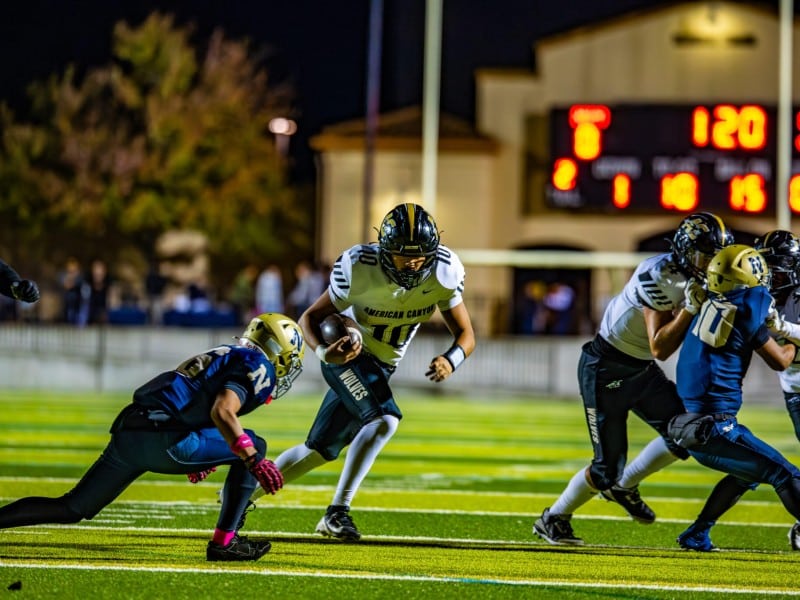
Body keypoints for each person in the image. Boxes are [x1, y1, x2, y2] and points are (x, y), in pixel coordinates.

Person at [251, 202, 476, 541]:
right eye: (403, 256)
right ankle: (337, 511)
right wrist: (326, 352)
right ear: (385, 252)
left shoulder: (444, 271)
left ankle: (242, 494)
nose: (414, 264)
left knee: (318, 451)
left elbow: (467, 335)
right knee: (384, 420)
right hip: (345, 357)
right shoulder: (359, 267)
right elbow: (309, 318)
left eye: (420, 256)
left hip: (382, 366)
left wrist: (451, 359)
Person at [0, 313, 305, 562]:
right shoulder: (257, 365)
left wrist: (202, 438)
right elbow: (223, 411)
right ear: (280, 352)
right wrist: (251, 458)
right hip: (167, 440)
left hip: (131, 428)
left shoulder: (228, 353)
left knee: (71, 508)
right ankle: (225, 542)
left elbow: (188, 401)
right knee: (256, 445)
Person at [534, 212, 733, 545]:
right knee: (605, 469)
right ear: (685, 250)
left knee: (686, 432)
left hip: (639, 369)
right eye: (703, 253)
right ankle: (553, 517)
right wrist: (690, 309)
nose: (709, 262)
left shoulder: (696, 279)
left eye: (714, 256)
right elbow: (661, 347)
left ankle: (624, 487)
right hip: (606, 369)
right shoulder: (659, 274)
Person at [669, 244, 800, 553]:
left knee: (745, 474)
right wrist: (793, 341)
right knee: (785, 473)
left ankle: (697, 532)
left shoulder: (707, 302)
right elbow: (781, 360)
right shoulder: (747, 306)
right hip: (714, 428)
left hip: (690, 423)